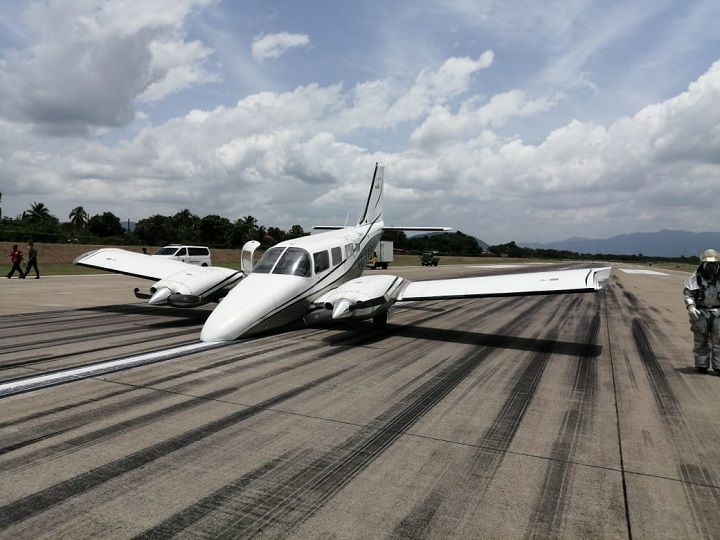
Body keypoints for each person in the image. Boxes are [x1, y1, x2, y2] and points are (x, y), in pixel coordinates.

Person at [683, 249, 720, 374]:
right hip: (701, 312)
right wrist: (691, 306)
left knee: (719, 340)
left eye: (714, 265)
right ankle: (701, 364)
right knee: (701, 339)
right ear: (702, 265)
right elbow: (688, 293)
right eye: (708, 264)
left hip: (718, 313)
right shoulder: (695, 279)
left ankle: (718, 365)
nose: (711, 268)